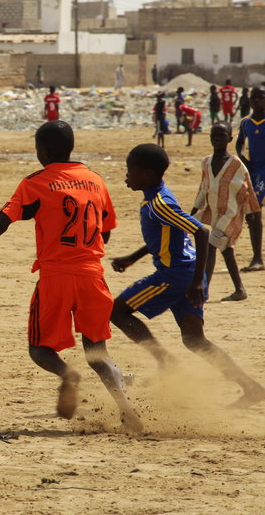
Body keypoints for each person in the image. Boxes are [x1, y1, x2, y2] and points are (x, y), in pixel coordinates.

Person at [0, 121, 142, 430]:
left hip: (56, 277)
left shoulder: (37, 182)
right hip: (92, 276)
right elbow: (106, 231)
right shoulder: (96, 181)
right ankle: (127, 411)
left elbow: (0, 222)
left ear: (43, 151)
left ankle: (67, 374)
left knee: (39, 348)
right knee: (97, 351)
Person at [109, 143, 265, 408]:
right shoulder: (156, 197)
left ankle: (163, 359)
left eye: (130, 170)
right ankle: (251, 387)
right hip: (187, 273)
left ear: (146, 174)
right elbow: (167, 234)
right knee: (195, 340)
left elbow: (201, 232)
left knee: (117, 311)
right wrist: (133, 258)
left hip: (175, 276)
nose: (126, 175)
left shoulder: (159, 203)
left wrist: (195, 281)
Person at [191, 122, 260, 301]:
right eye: (214, 135)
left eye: (221, 136)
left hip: (231, 214)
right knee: (226, 250)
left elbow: (247, 189)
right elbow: (203, 188)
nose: (217, 139)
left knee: (211, 246)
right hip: (214, 213)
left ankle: (204, 290)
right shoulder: (206, 162)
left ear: (229, 138)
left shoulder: (236, 164)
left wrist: (252, 213)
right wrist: (192, 213)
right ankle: (240, 289)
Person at [235, 85, 265, 272]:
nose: (256, 100)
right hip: (253, 171)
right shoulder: (246, 123)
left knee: (254, 211)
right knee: (252, 214)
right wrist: (241, 156)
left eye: (260, 97)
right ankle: (257, 257)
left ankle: (257, 258)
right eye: (253, 97)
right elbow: (239, 142)